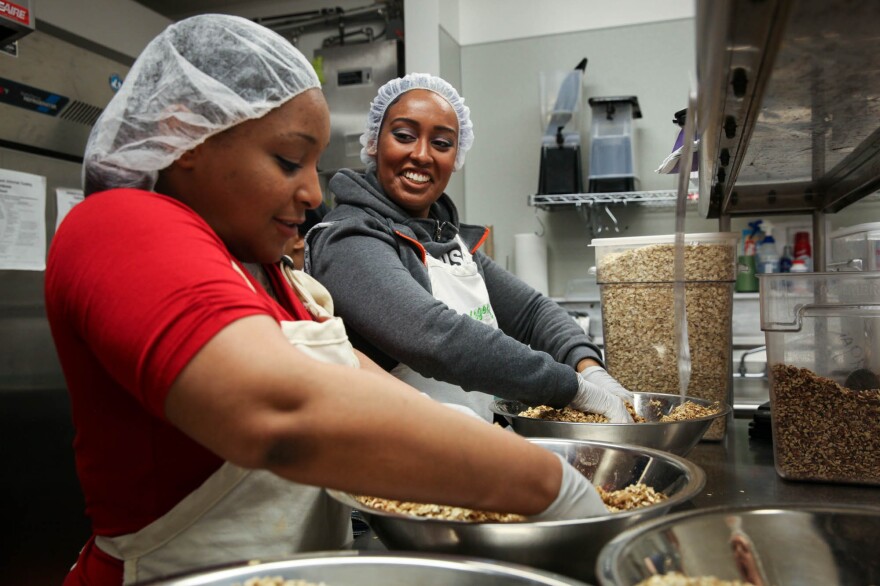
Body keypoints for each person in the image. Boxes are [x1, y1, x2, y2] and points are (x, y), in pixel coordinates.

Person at [45, 15, 612, 586]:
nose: (315, 192)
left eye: (315, 165)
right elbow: (281, 413)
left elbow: (360, 381)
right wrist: (546, 483)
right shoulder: (124, 226)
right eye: (290, 161)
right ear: (187, 132)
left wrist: (479, 433)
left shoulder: (266, 271)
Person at [305, 73, 633, 423]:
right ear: (373, 141)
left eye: (442, 143)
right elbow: (437, 338)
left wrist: (588, 366)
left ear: (456, 158)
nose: (421, 155)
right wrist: (572, 388)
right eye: (403, 136)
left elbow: (533, 313)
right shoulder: (347, 240)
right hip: (402, 458)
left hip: (472, 446)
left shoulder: (449, 239)